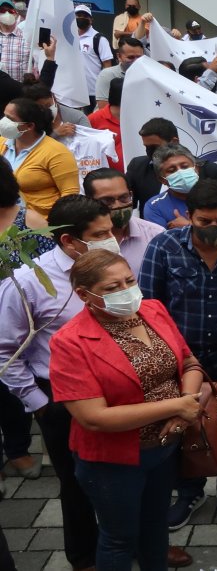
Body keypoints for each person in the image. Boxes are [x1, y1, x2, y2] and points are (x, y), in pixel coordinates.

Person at [50, 249, 204, 571]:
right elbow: (94, 418)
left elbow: (189, 362)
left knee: (155, 527)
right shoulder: (70, 342)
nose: (126, 291)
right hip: (113, 462)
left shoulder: (153, 310)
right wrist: (177, 405)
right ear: (84, 295)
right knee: (119, 539)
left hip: (163, 450)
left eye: (130, 281)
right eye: (112, 287)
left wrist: (185, 408)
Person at [0, 195, 115, 570]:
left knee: (128, 472)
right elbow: (5, 351)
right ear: (68, 240)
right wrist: (39, 403)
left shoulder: (109, 268)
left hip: (120, 389)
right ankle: (85, 557)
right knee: (77, 481)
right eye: (100, 235)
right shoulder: (28, 283)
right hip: (62, 399)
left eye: (110, 231)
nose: (111, 240)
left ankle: (132, 541)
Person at [140, 179, 217, 528]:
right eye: (205, 221)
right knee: (183, 426)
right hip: (180, 359)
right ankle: (189, 491)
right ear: (189, 216)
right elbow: (149, 306)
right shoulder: (164, 246)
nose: (214, 228)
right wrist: (171, 355)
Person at [125, 118, 217, 215]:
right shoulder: (138, 167)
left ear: (174, 142)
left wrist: (188, 225)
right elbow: (126, 203)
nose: (149, 151)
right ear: (162, 179)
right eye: (146, 147)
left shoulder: (209, 170)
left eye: (154, 147)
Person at [0, 97, 79, 222]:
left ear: (30, 126)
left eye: (10, 119)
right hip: (5, 221)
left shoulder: (57, 152)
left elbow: (70, 195)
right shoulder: (2, 143)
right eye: (5, 116)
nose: (4, 122)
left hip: (40, 224)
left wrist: (54, 226)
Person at [82, 168, 164, 272]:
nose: (118, 205)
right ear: (89, 201)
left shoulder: (155, 235)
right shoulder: (79, 240)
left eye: (124, 198)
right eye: (107, 201)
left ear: (131, 195)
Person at [143, 144, 217, 231]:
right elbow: (162, 241)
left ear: (196, 169)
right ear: (162, 179)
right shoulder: (155, 207)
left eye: (185, 166)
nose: (180, 173)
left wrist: (188, 226)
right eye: (172, 170)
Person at [74, 5, 114, 106]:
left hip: (94, 93)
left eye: (85, 16)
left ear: (91, 20)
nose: (81, 18)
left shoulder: (99, 39)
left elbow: (107, 66)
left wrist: (105, 90)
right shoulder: (69, 37)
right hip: (74, 92)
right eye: (78, 15)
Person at [95, 37, 143, 110]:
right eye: (131, 57)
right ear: (119, 57)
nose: (136, 61)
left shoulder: (148, 74)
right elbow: (103, 108)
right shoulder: (107, 75)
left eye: (139, 57)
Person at [0, 0, 31, 79]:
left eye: (11, 11)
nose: (7, 13)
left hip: (20, 86)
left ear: (16, 15)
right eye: (2, 10)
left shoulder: (27, 38)